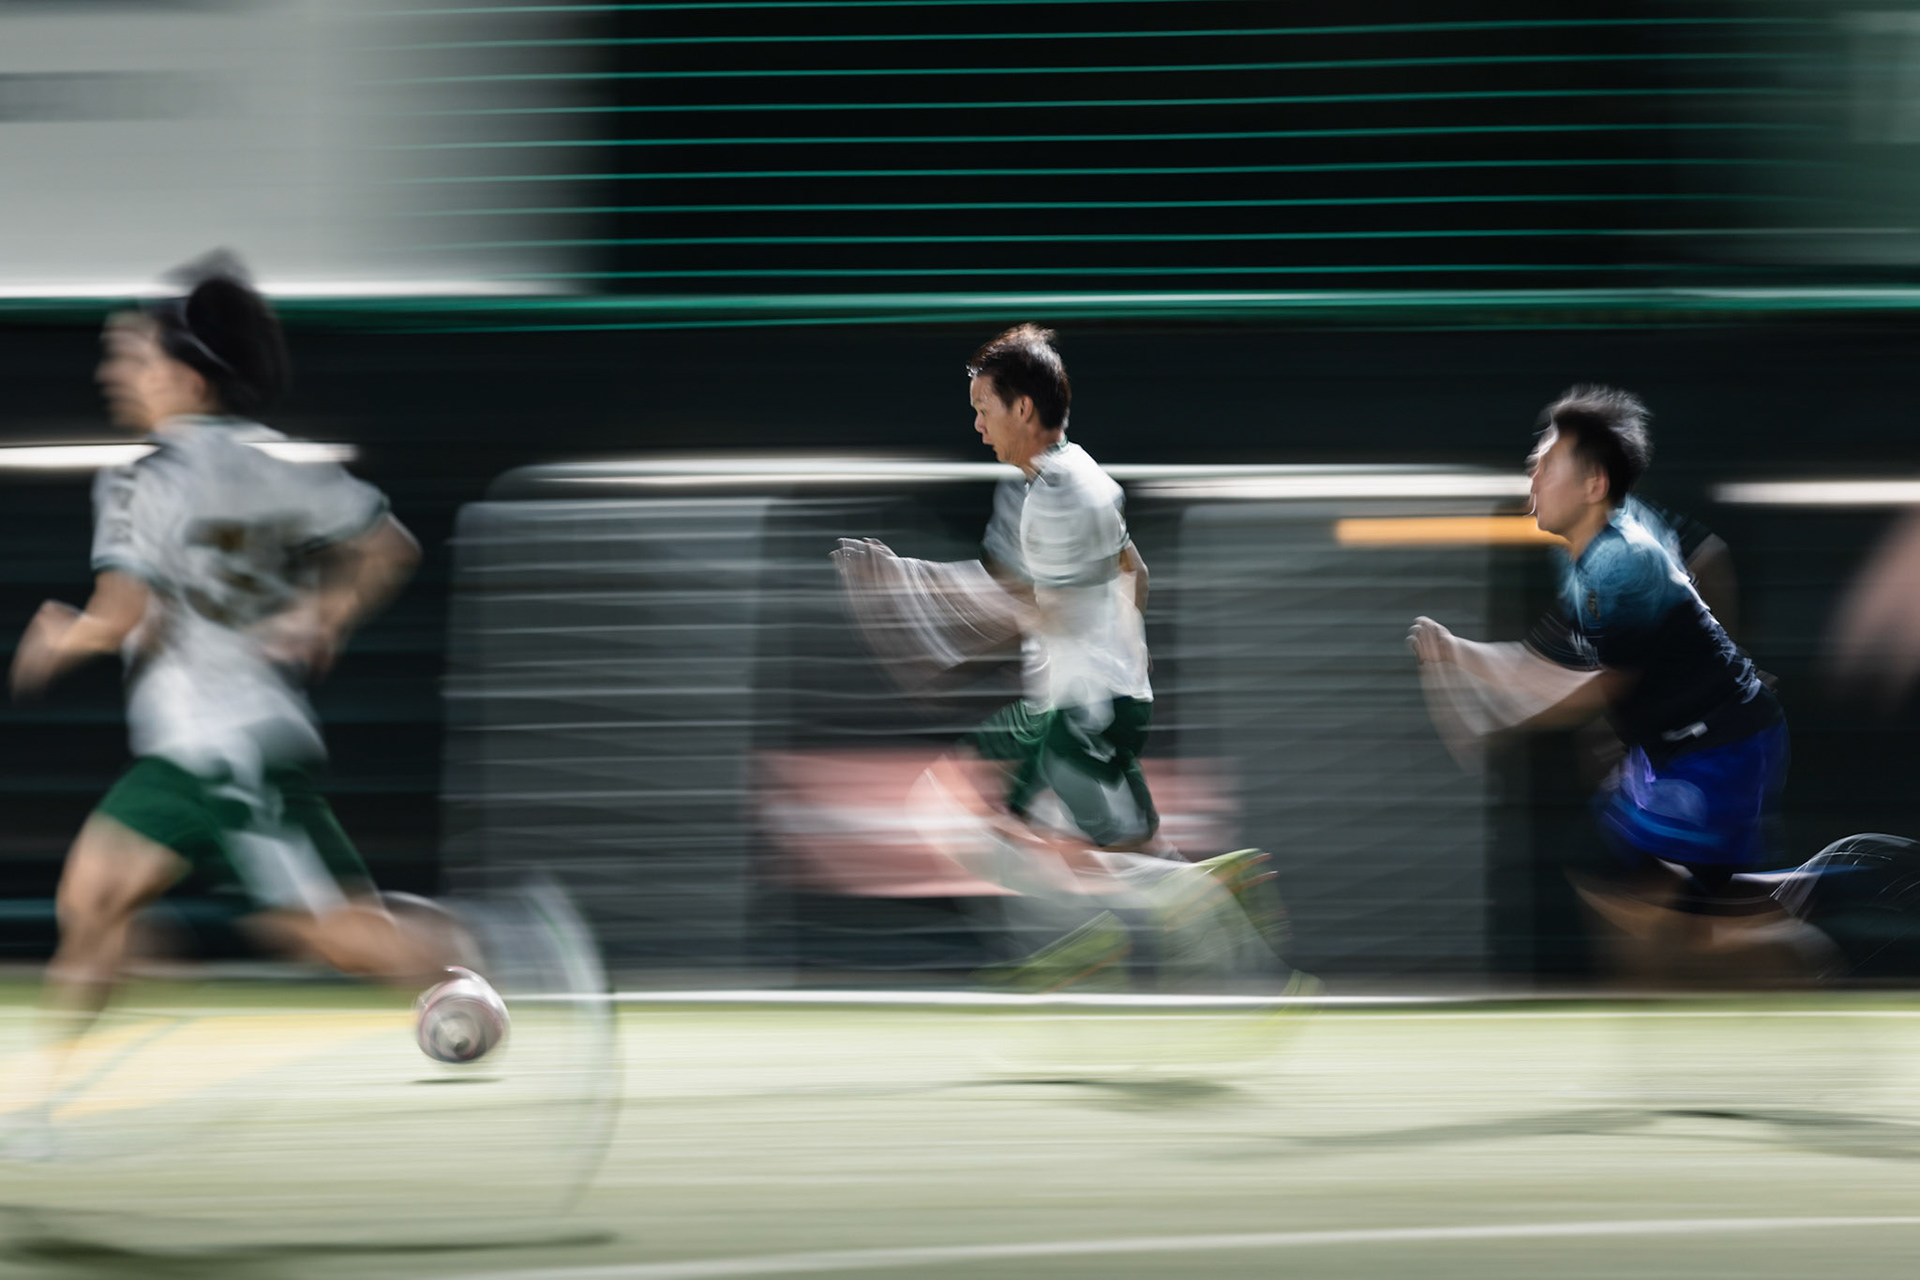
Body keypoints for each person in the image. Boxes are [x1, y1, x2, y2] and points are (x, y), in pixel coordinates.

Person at [9, 256, 481, 1125]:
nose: (115, 371)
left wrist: (60, 635)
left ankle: (486, 954)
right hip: (202, 749)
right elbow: (390, 547)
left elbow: (120, 614)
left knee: (325, 936)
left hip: (224, 751)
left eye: (134, 356)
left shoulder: (141, 480)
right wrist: (326, 613)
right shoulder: (277, 463)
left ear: (188, 377)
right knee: (92, 899)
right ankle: (39, 1105)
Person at [835, 325, 1284, 988]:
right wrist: (1126, 655)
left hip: (1081, 708)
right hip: (1084, 698)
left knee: (963, 818)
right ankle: (1121, 916)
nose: (977, 426)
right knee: (1000, 824)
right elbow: (1134, 573)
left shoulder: (1054, 496)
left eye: (984, 409)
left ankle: (1145, 912)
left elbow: (1034, 609)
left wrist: (909, 585)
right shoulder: (1080, 476)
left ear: (1022, 408)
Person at [1408, 386, 1820, 981]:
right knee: (1619, 882)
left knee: (1652, 902)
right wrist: (1457, 653)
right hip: (1679, 750)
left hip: (1719, 750)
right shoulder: (1590, 547)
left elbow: (1592, 688)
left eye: (1548, 463)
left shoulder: (1621, 563)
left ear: (1594, 484)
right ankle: (1758, 917)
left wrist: (1499, 720)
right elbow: (1545, 659)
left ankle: (1786, 928)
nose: (1533, 472)